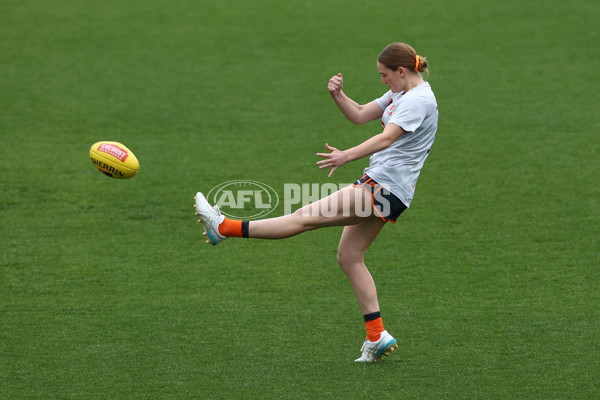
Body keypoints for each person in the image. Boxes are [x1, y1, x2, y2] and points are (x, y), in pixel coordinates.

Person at [194, 42, 438, 363]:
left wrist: (346, 155)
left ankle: (224, 227)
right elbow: (361, 115)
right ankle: (377, 335)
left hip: (383, 188)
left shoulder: (418, 101)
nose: (382, 81)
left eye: (384, 75)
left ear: (402, 71)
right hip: (388, 189)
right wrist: (338, 95)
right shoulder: (402, 93)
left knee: (303, 217)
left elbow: (387, 137)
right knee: (350, 255)